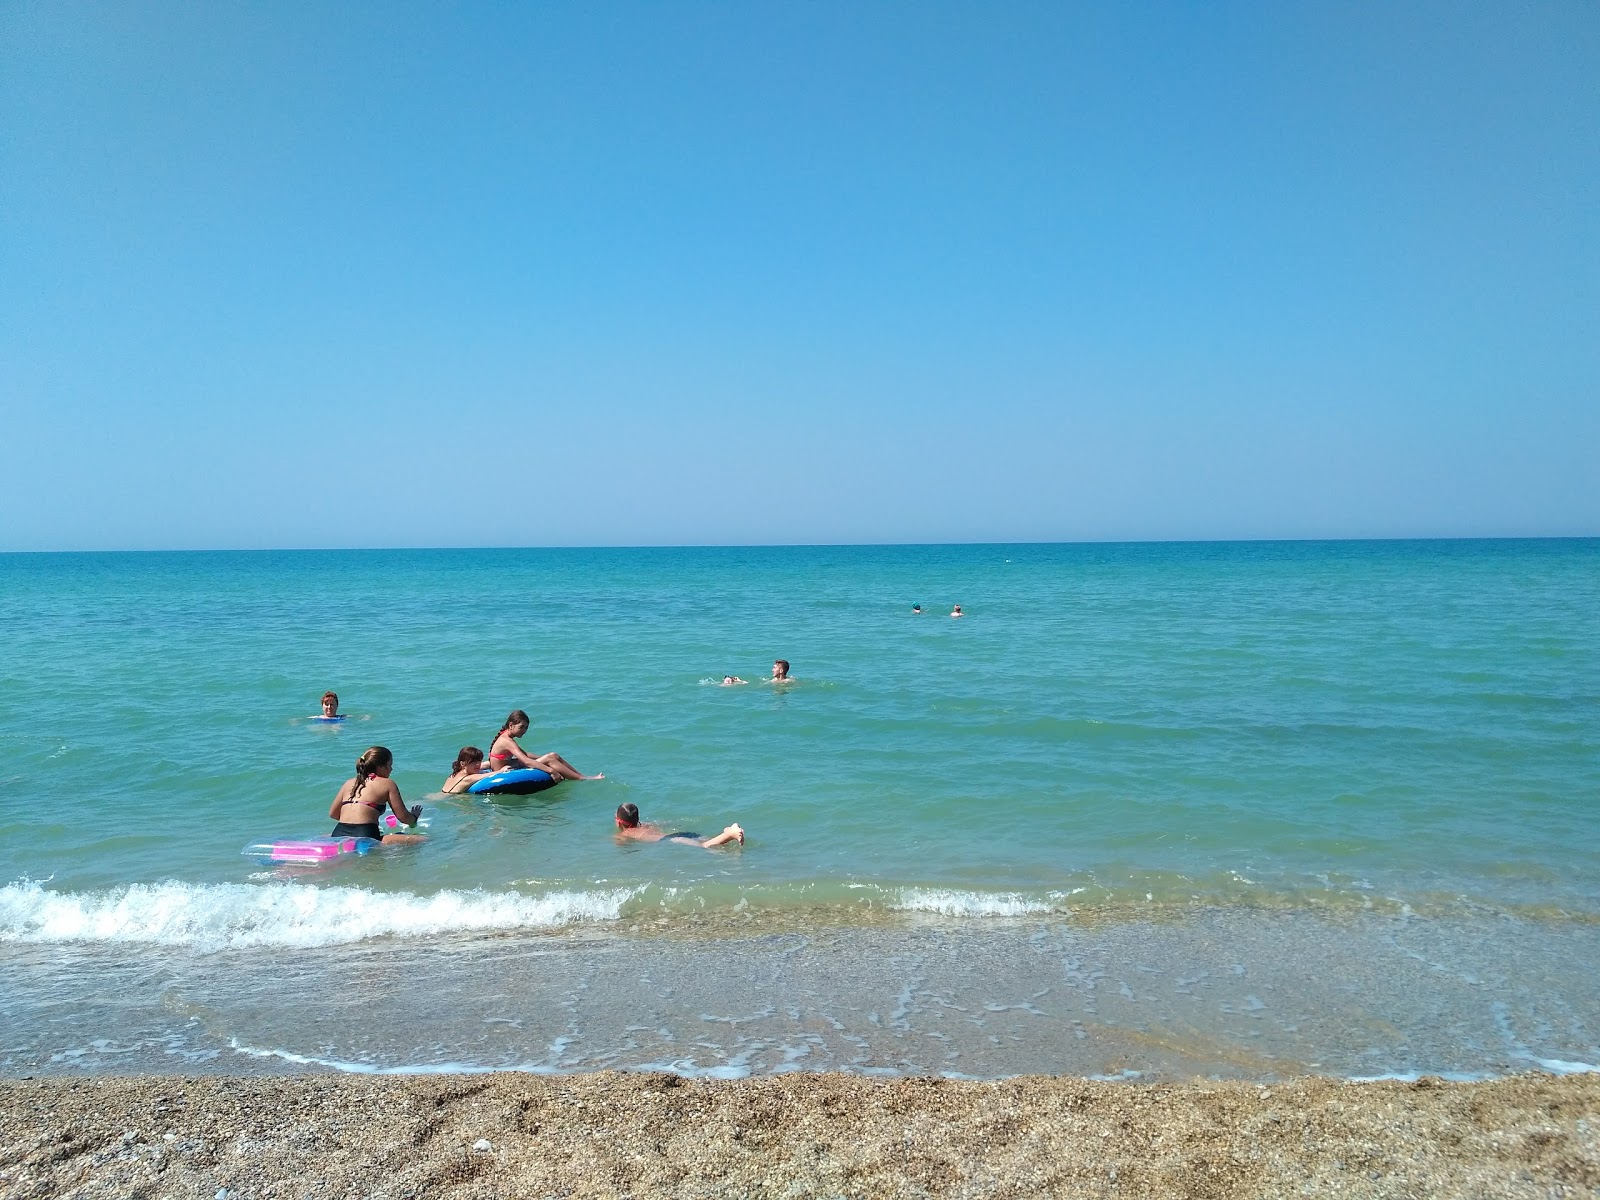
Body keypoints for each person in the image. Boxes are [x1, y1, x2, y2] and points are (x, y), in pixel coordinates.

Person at [328, 747, 425, 842]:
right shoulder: (388, 783)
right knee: (424, 840)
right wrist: (414, 819)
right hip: (366, 834)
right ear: (380, 766)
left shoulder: (349, 783)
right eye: (390, 765)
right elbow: (403, 817)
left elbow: (333, 814)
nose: (391, 769)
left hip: (338, 833)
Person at [488, 710, 603, 780]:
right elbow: (526, 761)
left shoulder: (506, 737)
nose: (524, 730)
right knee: (550, 759)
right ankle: (582, 779)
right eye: (521, 727)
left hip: (512, 766)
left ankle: (580, 775)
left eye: (526, 728)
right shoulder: (506, 740)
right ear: (511, 725)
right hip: (506, 771)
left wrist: (543, 757)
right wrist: (551, 771)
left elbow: (525, 754)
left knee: (553, 755)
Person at [614, 803, 743, 848]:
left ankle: (729, 834)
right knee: (708, 841)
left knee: (705, 846)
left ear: (619, 822)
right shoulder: (645, 825)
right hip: (677, 834)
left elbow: (620, 845)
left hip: (671, 839)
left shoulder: (624, 834)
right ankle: (729, 831)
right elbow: (663, 823)